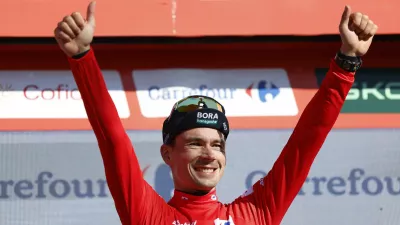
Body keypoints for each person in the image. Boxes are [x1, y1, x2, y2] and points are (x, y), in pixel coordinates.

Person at [54, 2, 378, 225]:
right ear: (167, 153)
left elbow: (306, 142)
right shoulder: (149, 215)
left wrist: (347, 62)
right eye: (195, 143)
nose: (210, 154)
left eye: (217, 144)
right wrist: (82, 57)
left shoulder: (256, 212)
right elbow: (112, 140)